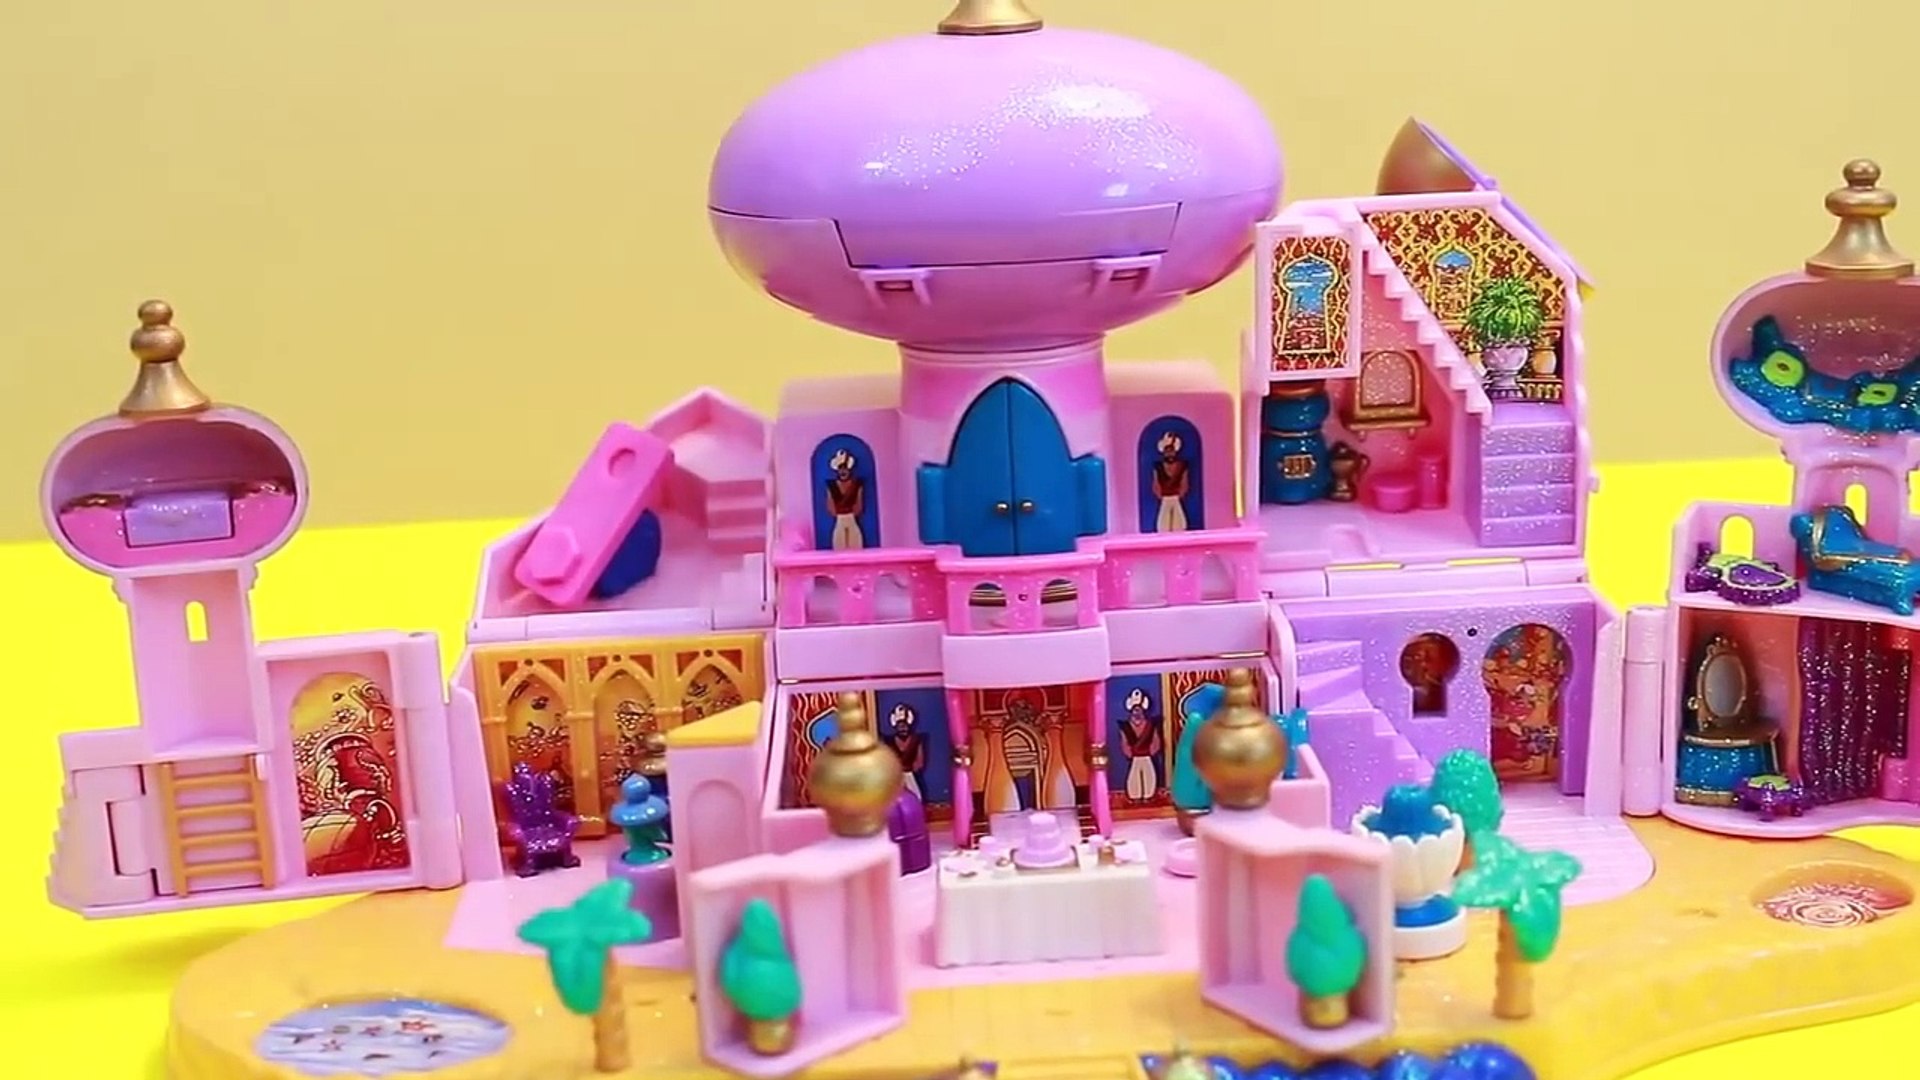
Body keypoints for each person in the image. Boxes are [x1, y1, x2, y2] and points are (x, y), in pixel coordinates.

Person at [1119, 689, 1164, 802]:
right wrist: (1128, 751)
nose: (1137, 712)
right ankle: (1135, 795)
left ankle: (1148, 794)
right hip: (1135, 756)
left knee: (1149, 775)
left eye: (1139, 709)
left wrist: (1153, 749)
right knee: (1134, 776)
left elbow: (1155, 739)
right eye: (1135, 709)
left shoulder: (1151, 725)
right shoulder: (1125, 726)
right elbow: (1124, 741)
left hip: (1147, 755)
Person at [825, 448, 867, 549]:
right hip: (840, 520)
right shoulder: (831, 486)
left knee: (855, 545)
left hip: (851, 519)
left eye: (845, 468)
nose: (843, 471)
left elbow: (859, 506)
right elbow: (830, 506)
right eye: (840, 469)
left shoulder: (857, 484)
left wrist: (850, 513)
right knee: (839, 546)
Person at [1151, 431, 1191, 532]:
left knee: (1179, 523)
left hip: (1176, 497)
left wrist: (1181, 493)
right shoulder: (1158, 466)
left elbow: (1184, 482)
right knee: (1163, 524)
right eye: (1167, 451)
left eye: (1171, 450)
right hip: (1165, 498)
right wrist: (1160, 494)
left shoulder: (1182, 465)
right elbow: (1156, 483)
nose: (1169, 453)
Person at [886, 703, 927, 798]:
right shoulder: (888, 742)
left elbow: (919, 763)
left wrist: (910, 768)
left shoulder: (916, 740)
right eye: (900, 726)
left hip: (909, 774)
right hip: (895, 776)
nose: (902, 728)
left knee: (916, 796)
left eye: (904, 725)